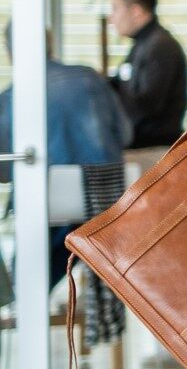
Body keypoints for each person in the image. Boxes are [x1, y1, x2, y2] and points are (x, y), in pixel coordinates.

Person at [0, 23, 131, 285]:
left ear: (12, 52)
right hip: (108, 203)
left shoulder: (12, 98)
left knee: (28, 273)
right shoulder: (89, 78)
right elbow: (125, 134)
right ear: (50, 45)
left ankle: (27, 310)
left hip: (49, 207)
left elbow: (4, 172)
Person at [106, 0, 187, 148]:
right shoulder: (143, 44)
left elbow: (146, 107)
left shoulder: (160, 47)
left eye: (115, 9)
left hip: (153, 152)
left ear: (135, 11)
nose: (110, 19)